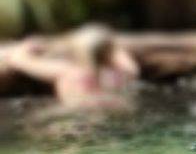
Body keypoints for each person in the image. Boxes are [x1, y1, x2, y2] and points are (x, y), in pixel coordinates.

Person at [4, 25, 141, 110]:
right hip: (113, 108)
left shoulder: (67, 72)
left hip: (75, 115)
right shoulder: (121, 73)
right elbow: (126, 60)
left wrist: (26, 46)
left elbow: (18, 60)